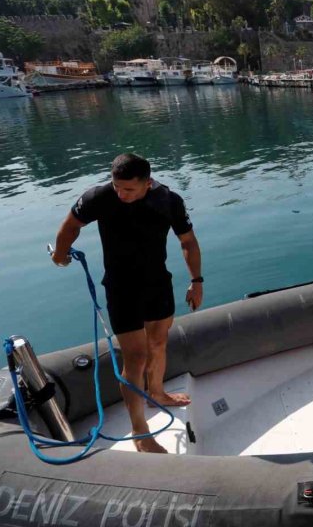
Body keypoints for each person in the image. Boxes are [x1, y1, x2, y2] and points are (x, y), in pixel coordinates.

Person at [51, 153, 203, 454]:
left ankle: (156, 393)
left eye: (129, 189)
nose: (121, 194)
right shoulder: (98, 197)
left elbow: (187, 241)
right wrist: (60, 254)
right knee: (135, 358)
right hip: (121, 289)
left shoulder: (168, 201)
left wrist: (196, 281)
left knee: (158, 342)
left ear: (147, 183)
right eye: (117, 187)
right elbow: (70, 226)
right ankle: (140, 432)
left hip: (157, 283)